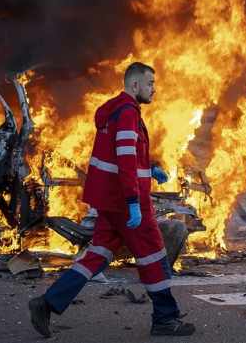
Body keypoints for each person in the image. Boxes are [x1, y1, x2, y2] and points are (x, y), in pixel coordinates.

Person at [28, 62, 194, 338]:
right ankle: (165, 317)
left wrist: (150, 167)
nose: (155, 88)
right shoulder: (128, 113)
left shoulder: (115, 110)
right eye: (150, 83)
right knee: (153, 255)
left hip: (110, 202)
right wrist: (132, 202)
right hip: (127, 203)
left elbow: (124, 154)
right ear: (135, 85)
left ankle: (47, 303)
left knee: (97, 255)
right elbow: (125, 160)